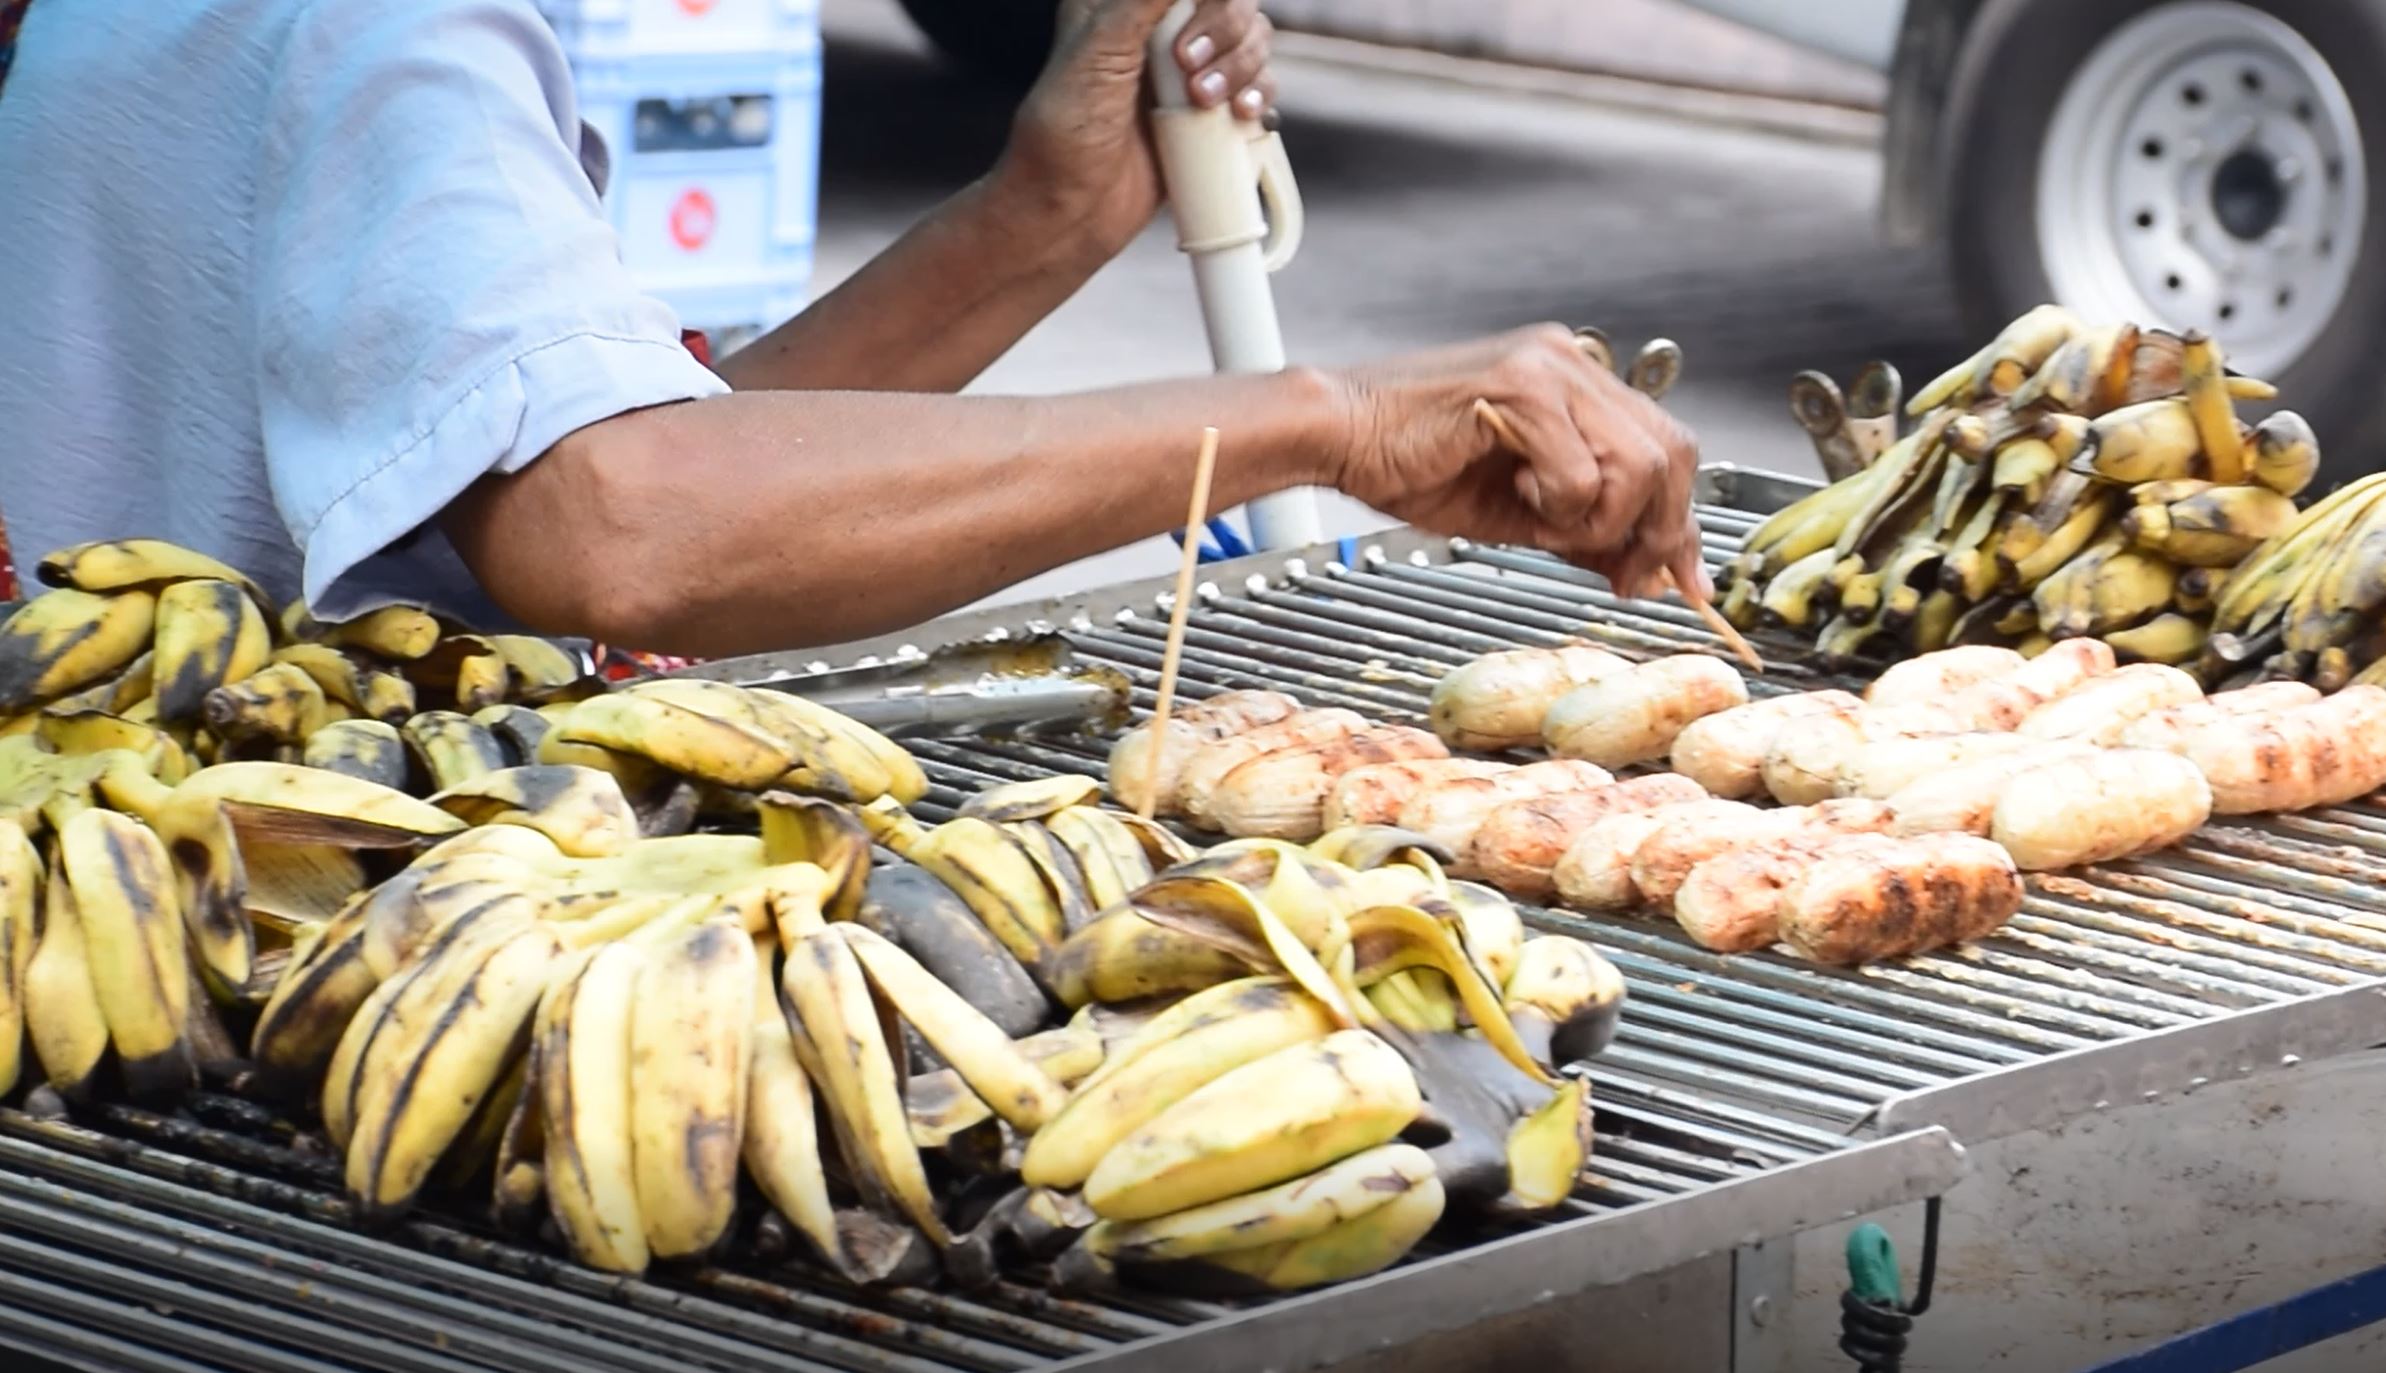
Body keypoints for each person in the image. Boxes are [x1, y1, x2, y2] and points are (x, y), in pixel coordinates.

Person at [0, 0, 1703, 658]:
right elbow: (622, 529)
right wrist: (1324, 423)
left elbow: (526, 463)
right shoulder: (365, 23)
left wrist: (1036, 222)